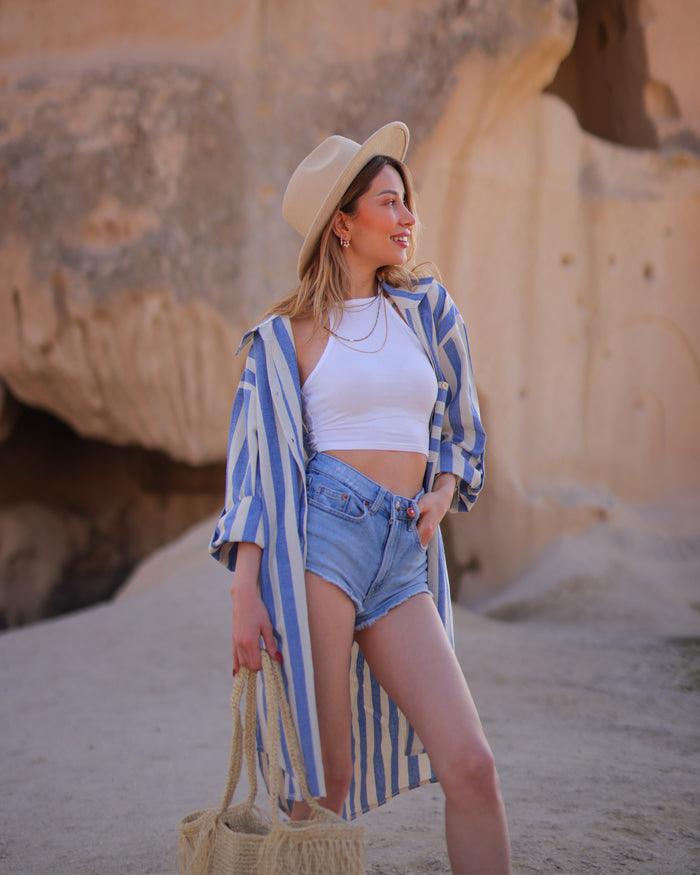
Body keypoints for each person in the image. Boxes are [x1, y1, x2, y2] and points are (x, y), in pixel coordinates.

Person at [208, 121, 511, 873]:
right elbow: (254, 472)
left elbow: (460, 426)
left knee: (472, 765)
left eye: (407, 202)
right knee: (324, 786)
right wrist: (245, 594)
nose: (407, 217)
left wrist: (443, 490)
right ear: (343, 224)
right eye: (388, 201)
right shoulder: (285, 339)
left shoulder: (427, 311)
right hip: (325, 543)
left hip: (404, 551)